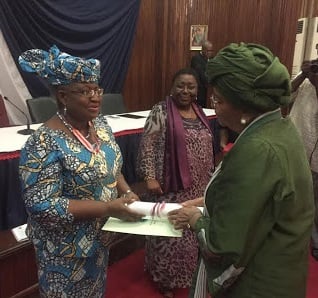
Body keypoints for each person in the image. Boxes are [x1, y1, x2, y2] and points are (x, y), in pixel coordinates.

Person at [168, 43, 314, 298]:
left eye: (219, 100)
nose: (215, 106)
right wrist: (205, 203)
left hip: (258, 284)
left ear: (245, 106)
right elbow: (260, 200)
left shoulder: (257, 149)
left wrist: (195, 218)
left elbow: (221, 247)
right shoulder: (281, 127)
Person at [18, 45, 144, 297]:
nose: (95, 97)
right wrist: (108, 208)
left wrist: (128, 192)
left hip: (98, 241)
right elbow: (42, 205)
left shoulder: (101, 126)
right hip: (63, 251)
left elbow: (112, 167)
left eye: (97, 89)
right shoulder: (43, 142)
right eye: (84, 91)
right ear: (63, 96)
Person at [137, 68, 215, 297]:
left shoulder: (199, 111)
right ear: (172, 87)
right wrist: (149, 176)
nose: (185, 91)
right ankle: (163, 279)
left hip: (198, 184)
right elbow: (147, 144)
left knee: (190, 233)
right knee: (168, 234)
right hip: (169, 185)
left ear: (197, 90)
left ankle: (186, 274)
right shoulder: (160, 111)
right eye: (180, 85)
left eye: (191, 86)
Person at [289, 58, 318, 260]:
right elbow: (284, 96)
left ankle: (315, 242)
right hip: (292, 147)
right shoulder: (306, 77)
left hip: (315, 157)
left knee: (314, 201)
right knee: (291, 197)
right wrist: (302, 74)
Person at [190, 40, 214, 108]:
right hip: (201, 92)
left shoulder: (212, 59)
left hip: (209, 92)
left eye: (211, 51)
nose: (210, 53)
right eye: (208, 51)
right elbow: (201, 75)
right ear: (203, 50)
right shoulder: (196, 59)